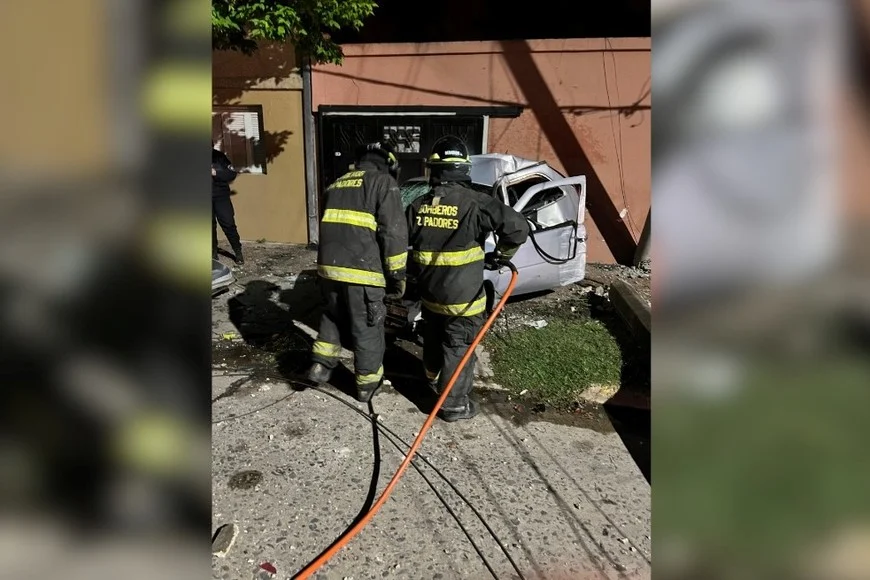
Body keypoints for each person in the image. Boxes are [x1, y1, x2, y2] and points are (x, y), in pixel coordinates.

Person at [407, 136, 529, 422]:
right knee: (459, 346)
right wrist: (500, 255)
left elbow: (398, 238)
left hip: (429, 293)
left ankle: (431, 377)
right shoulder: (477, 202)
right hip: (464, 299)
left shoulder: (419, 205)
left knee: (434, 336)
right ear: (463, 169)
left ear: (434, 170)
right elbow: (517, 228)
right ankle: (453, 405)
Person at [306, 142, 408, 402]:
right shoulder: (384, 183)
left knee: (332, 317)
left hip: (328, 270)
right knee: (367, 328)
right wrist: (397, 275)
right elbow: (393, 233)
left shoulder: (337, 184)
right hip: (362, 273)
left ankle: (320, 365)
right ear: (389, 163)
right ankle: (366, 385)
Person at [212, 145, 244, 264]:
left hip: (221, 197)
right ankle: (213, 255)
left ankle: (238, 252)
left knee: (228, 224)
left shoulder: (220, 157)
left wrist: (216, 172)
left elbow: (231, 174)